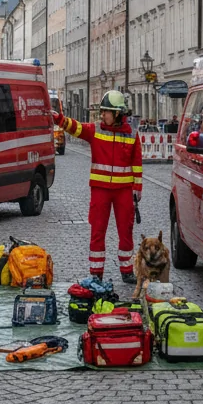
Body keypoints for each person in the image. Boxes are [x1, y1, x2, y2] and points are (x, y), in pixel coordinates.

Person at [53, 90, 143, 284]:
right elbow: (76, 128)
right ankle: (96, 273)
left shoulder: (132, 134)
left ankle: (127, 270)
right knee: (97, 230)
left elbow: (137, 162)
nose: (102, 115)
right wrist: (59, 119)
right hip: (100, 190)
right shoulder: (96, 130)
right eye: (102, 112)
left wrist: (137, 188)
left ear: (118, 114)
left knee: (126, 231)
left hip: (124, 191)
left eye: (106, 112)